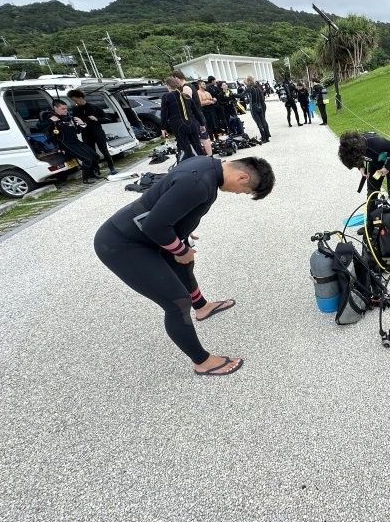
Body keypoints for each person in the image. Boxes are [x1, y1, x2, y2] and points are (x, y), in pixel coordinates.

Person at [94, 155, 275, 376]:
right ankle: (202, 361)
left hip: (142, 233)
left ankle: (202, 307)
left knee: (184, 266)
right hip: (122, 244)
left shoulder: (207, 166)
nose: (239, 194)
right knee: (177, 302)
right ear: (243, 176)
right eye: (245, 191)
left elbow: (168, 204)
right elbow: (155, 225)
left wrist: (182, 232)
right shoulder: (198, 183)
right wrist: (180, 250)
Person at [38, 99, 101, 184]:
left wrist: (82, 123)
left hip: (76, 142)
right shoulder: (50, 117)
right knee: (87, 160)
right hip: (66, 144)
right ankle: (86, 179)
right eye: (63, 109)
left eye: (66, 108)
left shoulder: (69, 118)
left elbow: (77, 131)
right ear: (55, 108)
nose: (65, 110)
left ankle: (92, 174)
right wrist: (51, 120)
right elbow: (40, 127)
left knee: (96, 156)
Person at [338, 131, 390, 209]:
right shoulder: (351, 148)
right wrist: (361, 167)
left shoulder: (377, 143)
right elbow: (355, 158)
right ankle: (371, 219)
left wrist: (386, 167)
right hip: (376, 163)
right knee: (371, 195)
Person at [66, 89, 118, 175]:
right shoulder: (75, 110)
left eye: (75, 100)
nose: (74, 102)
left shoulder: (94, 107)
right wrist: (77, 129)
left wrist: (97, 119)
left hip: (97, 132)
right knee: (91, 153)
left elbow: (108, 119)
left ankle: (112, 168)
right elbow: (76, 122)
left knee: (104, 150)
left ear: (81, 97)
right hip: (86, 134)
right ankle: (96, 170)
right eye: (73, 100)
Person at [160, 76, 205, 160]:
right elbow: (196, 112)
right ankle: (205, 164)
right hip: (192, 124)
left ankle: (192, 168)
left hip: (179, 126)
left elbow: (164, 113)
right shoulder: (186, 95)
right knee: (198, 147)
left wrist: (163, 128)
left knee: (186, 150)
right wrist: (202, 124)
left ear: (168, 86)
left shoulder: (166, 96)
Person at [245, 76, 270, 143]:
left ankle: (264, 138)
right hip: (260, 106)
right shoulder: (257, 87)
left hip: (254, 107)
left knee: (259, 123)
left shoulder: (249, 88)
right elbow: (262, 97)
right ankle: (267, 137)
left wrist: (232, 95)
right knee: (263, 121)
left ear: (248, 81)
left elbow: (241, 95)